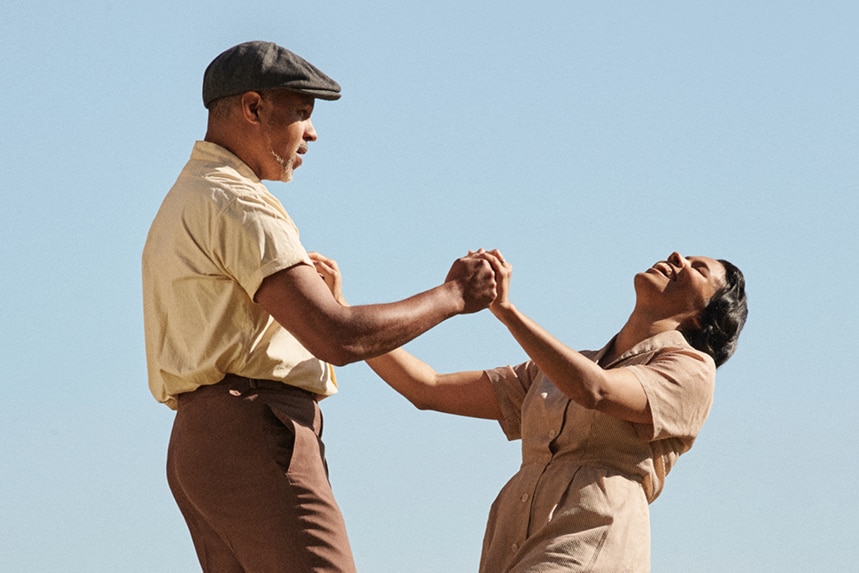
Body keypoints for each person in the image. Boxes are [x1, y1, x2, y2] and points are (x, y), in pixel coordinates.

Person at [141, 41, 497, 573]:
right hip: (257, 429)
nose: (311, 132)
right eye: (302, 113)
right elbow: (337, 337)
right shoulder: (237, 200)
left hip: (202, 441)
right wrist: (454, 296)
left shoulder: (189, 195)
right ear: (253, 108)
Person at [349, 249, 747, 572]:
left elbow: (597, 390)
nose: (676, 256)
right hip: (508, 543)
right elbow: (427, 388)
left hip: (591, 540)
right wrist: (343, 317)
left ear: (703, 315)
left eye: (697, 268)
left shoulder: (692, 369)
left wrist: (506, 311)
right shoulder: (557, 369)